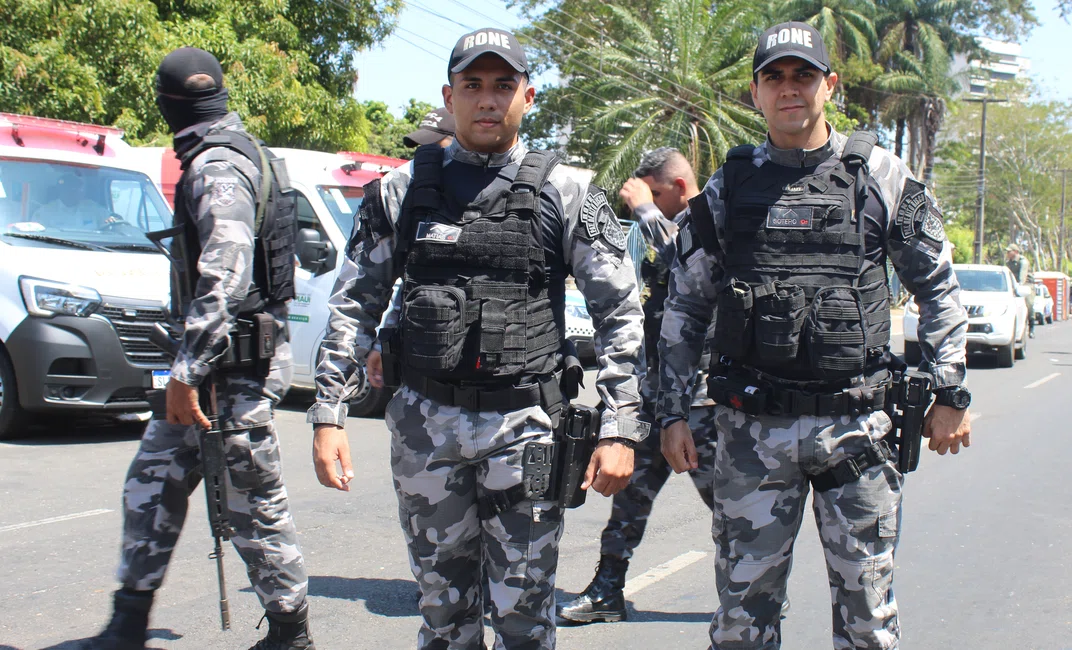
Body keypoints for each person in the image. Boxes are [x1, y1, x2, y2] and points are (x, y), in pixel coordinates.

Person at [307, 28, 647, 649]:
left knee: (523, 620)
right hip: (425, 430)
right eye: (473, 86)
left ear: (528, 95)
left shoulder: (567, 192)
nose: (488, 100)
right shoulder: (400, 191)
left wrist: (621, 426)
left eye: (502, 86)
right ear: (450, 94)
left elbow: (620, 312)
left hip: (527, 428)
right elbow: (354, 301)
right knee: (444, 618)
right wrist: (328, 411)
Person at [657, 21, 972, 649]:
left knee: (868, 622)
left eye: (803, 75)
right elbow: (685, 307)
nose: (788, 89)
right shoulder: (729, 186)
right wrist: (671, 413)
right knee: (742, 625)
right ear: (755, 93)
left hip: (856, 428)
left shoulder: (880, 176)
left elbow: (937, 285)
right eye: (774, 77)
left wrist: (949, 391)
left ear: (829, 84)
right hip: (750, 433)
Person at [86, 48, 312, 649]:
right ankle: (127, 624)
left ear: (167, 103)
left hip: (231, 372)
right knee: (152, 481)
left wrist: (186, 371)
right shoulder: (235, 151)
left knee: (252, 505)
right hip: (217, 368)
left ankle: (292, 631)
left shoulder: (217, 164)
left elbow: (227, 274)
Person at [558, 148, 718, 624]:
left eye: (655, 193)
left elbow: (691, 263)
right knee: (629, 499)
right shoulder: (658, 227)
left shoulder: (710, 218)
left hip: (701, 398)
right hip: (654, 397)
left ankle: (755, 588)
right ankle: (608, 590)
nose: (643, 204)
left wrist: (648, 209)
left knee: (730, 506)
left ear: (679, 188)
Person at [33, 172, 111, 230]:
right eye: (69, 189)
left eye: (77, 189)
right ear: (60, 190)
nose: (73, 192)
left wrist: (111, 220)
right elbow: (35, 235)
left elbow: (113, 223)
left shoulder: (93, 208)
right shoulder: (44, 212)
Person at [1005, 243, 1037, 338]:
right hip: (1013, 285)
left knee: (1029, 304)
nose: (1007, 253)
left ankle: (1032, 328)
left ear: (1015, 252)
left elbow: (1022, 277)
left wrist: (1018, 287)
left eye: (1009, 251)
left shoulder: (1023, 261)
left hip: (1026, 284)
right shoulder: (1008, 263)